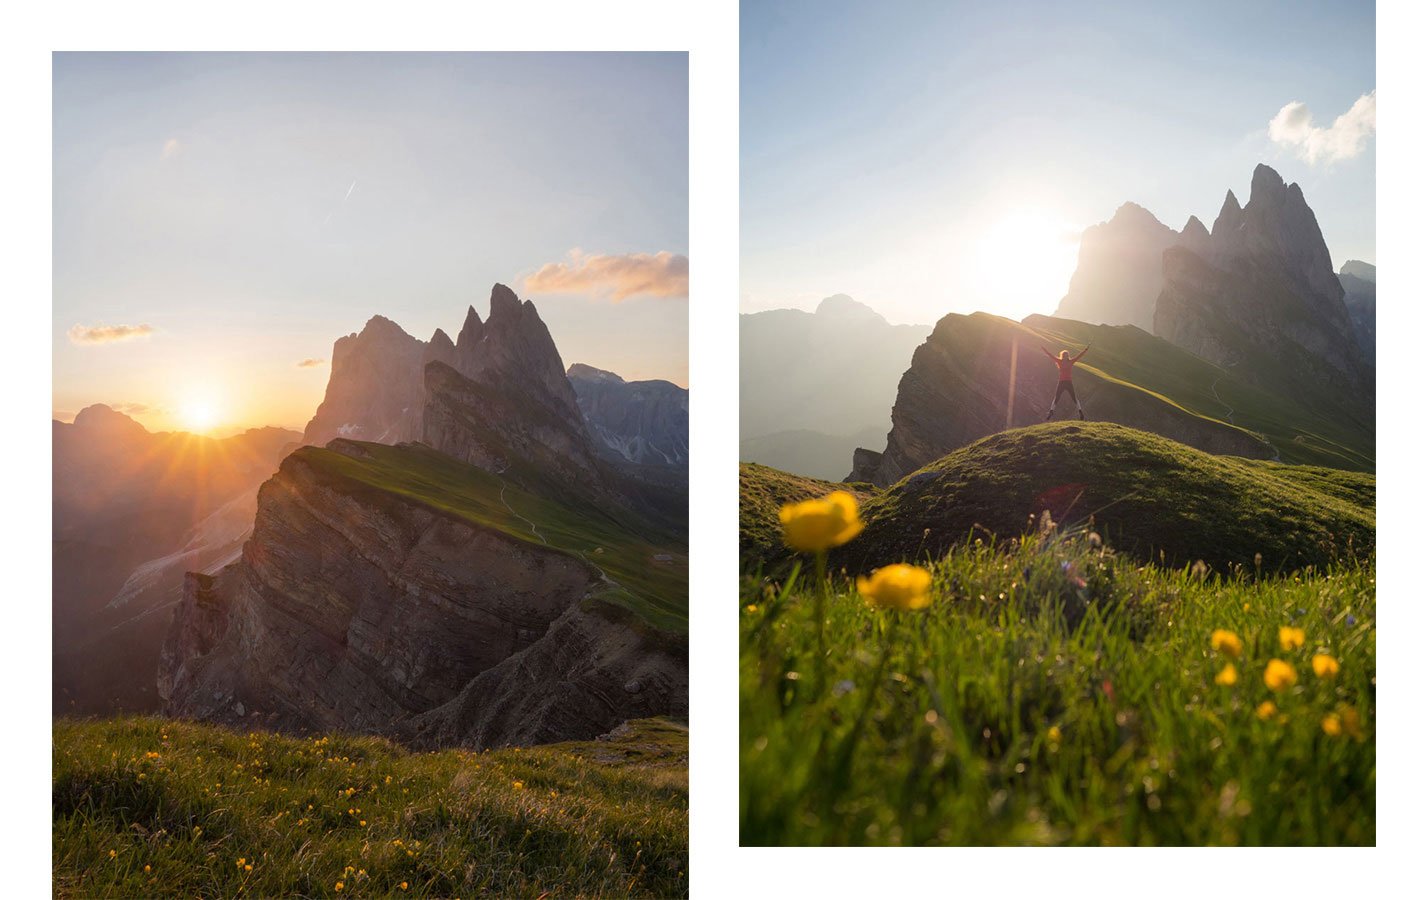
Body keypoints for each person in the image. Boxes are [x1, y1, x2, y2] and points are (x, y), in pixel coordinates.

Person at [1042, 343, 1089, 421]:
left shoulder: (1059, 361)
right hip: (1069, 382)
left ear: (1062, 356)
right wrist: (1086, 349)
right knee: (1074, 398)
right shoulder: (1071, 362)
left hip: (1061, 382)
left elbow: (1050, 355)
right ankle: (1080, 410)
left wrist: (1044, 348)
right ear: (1068, 356)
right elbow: (1079, 356)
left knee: (1057, 397)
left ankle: (1051, 411)